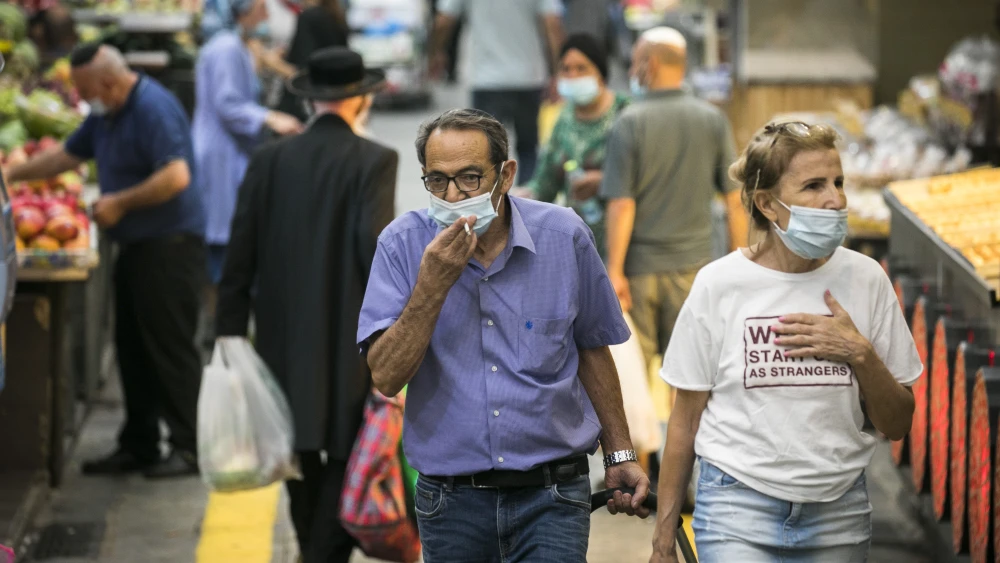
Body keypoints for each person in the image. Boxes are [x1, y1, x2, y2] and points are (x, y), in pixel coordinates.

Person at [357, 108, 651, 562]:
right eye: (438, 181)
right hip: (452, 501)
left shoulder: (563, 235)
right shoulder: (402, 245)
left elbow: (592, 348)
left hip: (551, 495)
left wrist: (618, 453)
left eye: (470, 178)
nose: (453, 196)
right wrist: (432, 287)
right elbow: (387, 376)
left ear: (506, 174)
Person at [646, 121, 921, 563]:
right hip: (737, 508)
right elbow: (685, 422)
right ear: (767, 204)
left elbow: (898, 424)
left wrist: (859, 353)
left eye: (838, 182)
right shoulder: (720, 284)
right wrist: (663, 537)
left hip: (839, 513)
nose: (835, 199)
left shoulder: (866, 280)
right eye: (814, 186)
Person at [216, 47, 396, 563]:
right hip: (350, 339)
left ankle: (312, 548)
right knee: (348, 447)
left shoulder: (269, 159)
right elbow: (374, 249)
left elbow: (240, 252)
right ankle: (322, 553)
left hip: (280, 337)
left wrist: (229, 337)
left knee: (293, 449)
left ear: (311, 99)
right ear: (362, 98)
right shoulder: (376, 160)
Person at [5, 44, 207, 478]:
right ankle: (140, 443)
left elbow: (177, 175)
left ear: (109, 83)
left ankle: (189, 448)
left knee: (169, 350)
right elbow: (68, 154)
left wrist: (120, 202)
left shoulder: (153, 107)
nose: (85, 98)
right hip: (136, 248)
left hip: (169, 249)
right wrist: (12, 175)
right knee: (133, 348)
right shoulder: (106, 113)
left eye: (86, 90)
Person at [601, 26, 746, 403]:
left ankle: (640, 461)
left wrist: (613, 270)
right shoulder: (711, 120)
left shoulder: (629, 122)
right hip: (695, 270)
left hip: (640, 271)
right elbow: (734, 199)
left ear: (649, 65)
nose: (632, 70)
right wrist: (741, 260)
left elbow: (621, 203)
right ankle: (686, 457)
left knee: (634, 377)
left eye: (634, 63)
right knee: (690, 377)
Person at [192, 0, 302, 341]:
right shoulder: (225, 49)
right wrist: (270, 118)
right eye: (261, 8)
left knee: (229, 248)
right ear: (243, 11)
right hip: (221, 158)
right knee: (223, 252)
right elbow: (228, 104)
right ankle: (220, 333)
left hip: (232, 154)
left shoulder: (236, 46)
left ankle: (223, 329)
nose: (267, 16)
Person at [429, 0, 564, 183]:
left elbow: (444, 20)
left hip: (486, 80)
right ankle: (526, 206)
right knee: (528, 150)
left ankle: (491, 207)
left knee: (486, 153)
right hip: (529, 77)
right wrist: (558, 71)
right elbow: (552, 23)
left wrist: (436, 52)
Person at [530, 33, 628, 259]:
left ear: (600, 73)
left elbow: (648, 176)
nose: (572, 75)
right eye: (565, 69)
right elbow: (545, 184)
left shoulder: (626, 114)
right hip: (578, 243)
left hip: (624, 244)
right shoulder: (563, 120)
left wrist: (604, 181)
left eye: (581, 68)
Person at [275, 0, 350, 122]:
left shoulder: (309, 17)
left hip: (309, 102)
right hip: (335, 98)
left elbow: (301, 71)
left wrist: (269, 61)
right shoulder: (336, 16)